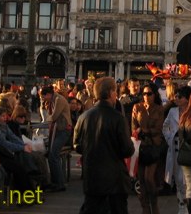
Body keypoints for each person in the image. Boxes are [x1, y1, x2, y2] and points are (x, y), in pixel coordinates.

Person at [73, 76, 135, 214]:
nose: (116, 95)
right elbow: (127, 149)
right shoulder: (118, 118)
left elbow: (77, 145)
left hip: (92, 176)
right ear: (110, 93)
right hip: (114, 178)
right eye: (115, 92)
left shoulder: (84, 117)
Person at [132, 82, 166, 214]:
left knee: (149, 178)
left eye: (149, 94)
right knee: (141, 180)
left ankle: (154, 204)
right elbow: (134, 128)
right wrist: (142, 131)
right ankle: (145, 208)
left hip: (154, 147)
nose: (146, 96)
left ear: (154, 95)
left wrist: (144, 130)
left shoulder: (159, 109)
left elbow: (158, 128)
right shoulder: (137, 107)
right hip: (140, 147)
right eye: (144, 93)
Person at [164, 85, 191, 214]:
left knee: (186, 179)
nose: (176, 98)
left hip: (188, 150)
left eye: (179, 96)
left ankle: (186, 206)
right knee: (178, 179)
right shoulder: (172, 111)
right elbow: (165, 127)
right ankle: (182, 205)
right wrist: (170, 138)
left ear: (187, 99)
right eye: (175, 96)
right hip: (174, 149)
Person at [40, 84, 73, 192]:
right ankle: (56, 181)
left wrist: (46, 119)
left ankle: (59, 183)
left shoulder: (58, 99)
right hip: (59, 130)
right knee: (51, 155)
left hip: (64, 130)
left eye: (44, 97)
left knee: (53, 155)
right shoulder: (53, 100)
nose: (43, 99)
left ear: (48, 94)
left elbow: (54, 116)